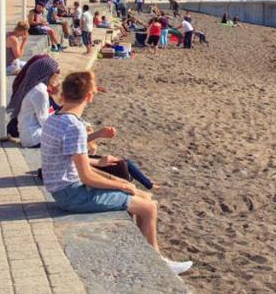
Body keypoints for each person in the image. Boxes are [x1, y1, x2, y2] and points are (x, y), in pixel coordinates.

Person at [39, 71, 191, 274]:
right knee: (149, 208)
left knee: (144, 196)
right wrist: (121, 184)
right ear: (90, 96)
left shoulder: (55, 119)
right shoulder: (74, 126)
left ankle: (145, 251)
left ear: (64, 94)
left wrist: (105, 168)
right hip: (71, 194)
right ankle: (158, 264)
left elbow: (70, 158)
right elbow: (86, 177)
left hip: (63, 189)